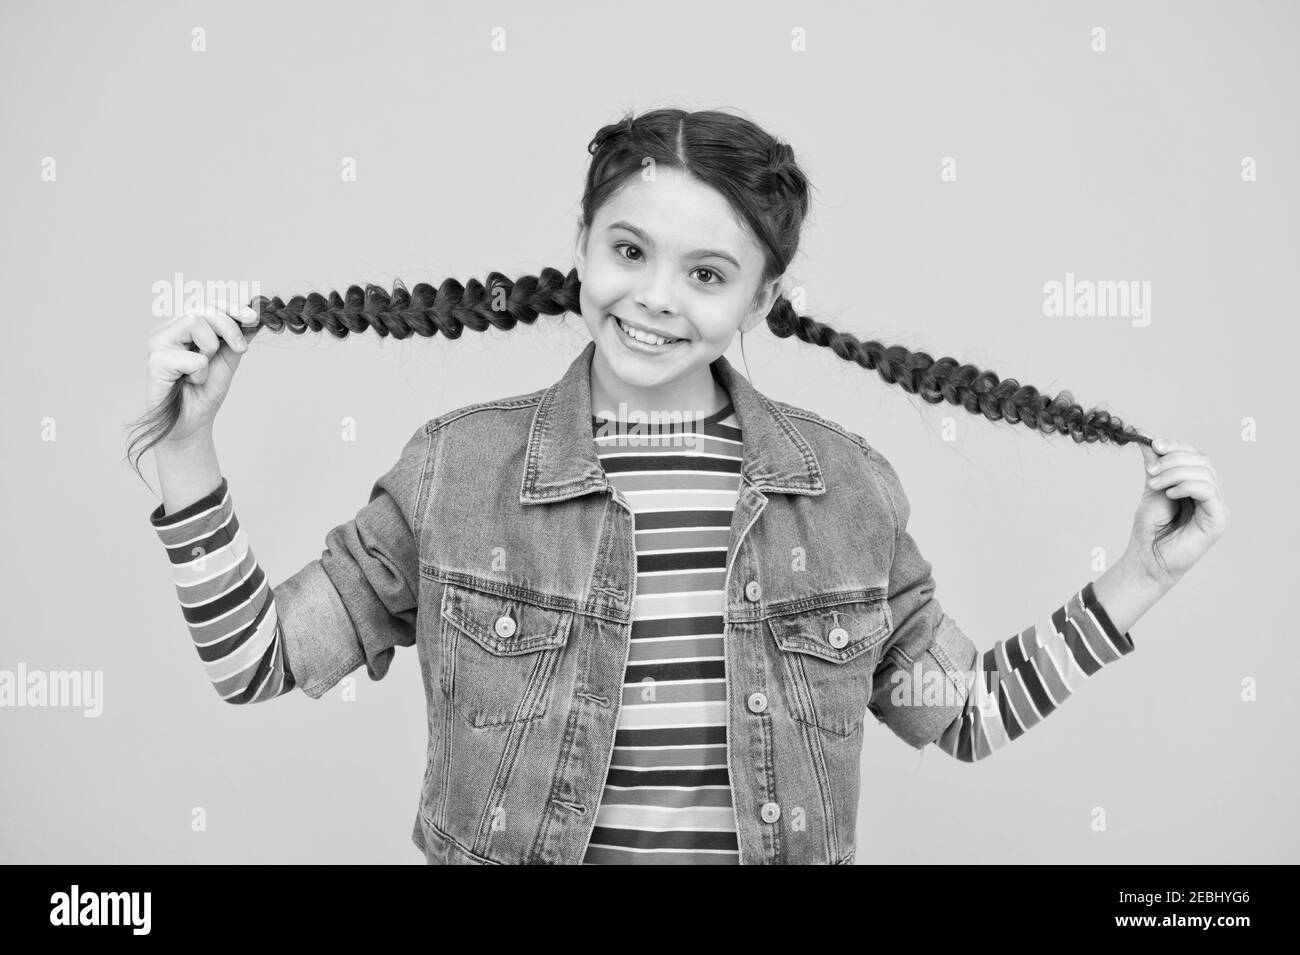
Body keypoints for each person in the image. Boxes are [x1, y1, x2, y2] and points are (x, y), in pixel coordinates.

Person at [130, 108, 1228, 864]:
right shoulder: (455, 472)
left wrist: (1139, 574)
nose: (656, 299)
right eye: (628, 250)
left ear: (763, 296)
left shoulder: (844, 489)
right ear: (581, 245)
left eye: (706, 274)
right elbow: (255, 660)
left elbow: (965, 714)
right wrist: (187, 451)